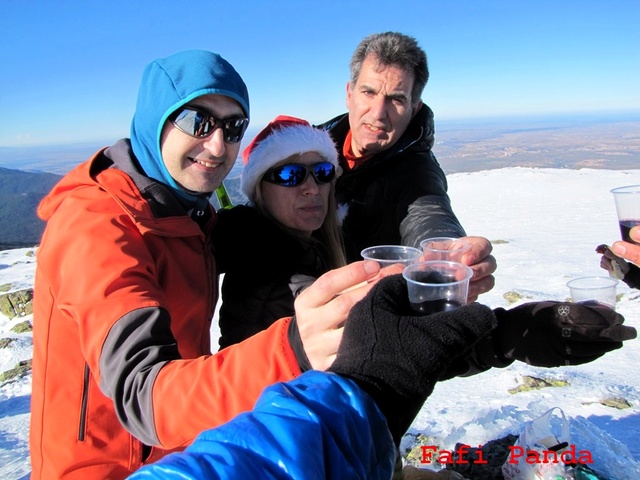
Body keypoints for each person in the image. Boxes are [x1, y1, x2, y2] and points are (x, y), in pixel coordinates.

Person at [30, 50, 380, 479]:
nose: (217, 145)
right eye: (198, 121)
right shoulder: (97, 226)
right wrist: (293, 348)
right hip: (105, 470)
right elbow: (144, 397)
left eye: (233, 127)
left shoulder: (189, 219)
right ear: (157, 120)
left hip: (185, 451)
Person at [128, 273, 636, 479]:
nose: (308, 184)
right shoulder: (256, 270)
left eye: (321, 171)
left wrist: (502, 337)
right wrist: (358, 387)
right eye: (285, 173)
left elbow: (391, 351)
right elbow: (156, 406)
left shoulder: (338, 251)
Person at [317, 31, 496, 300]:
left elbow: (428, 211)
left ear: (414, 108)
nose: (378, 113)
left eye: (396, 99)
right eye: (369, 92)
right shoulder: (310, 149)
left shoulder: (415, 171)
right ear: (349, 93)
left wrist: (444, 254)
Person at [213, 115, 346, 349]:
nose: (312, 188)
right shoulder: (262, 257)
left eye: (322, 172)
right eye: (291, 175)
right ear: (260, 189)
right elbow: (295, 291)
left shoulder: (316, 243)